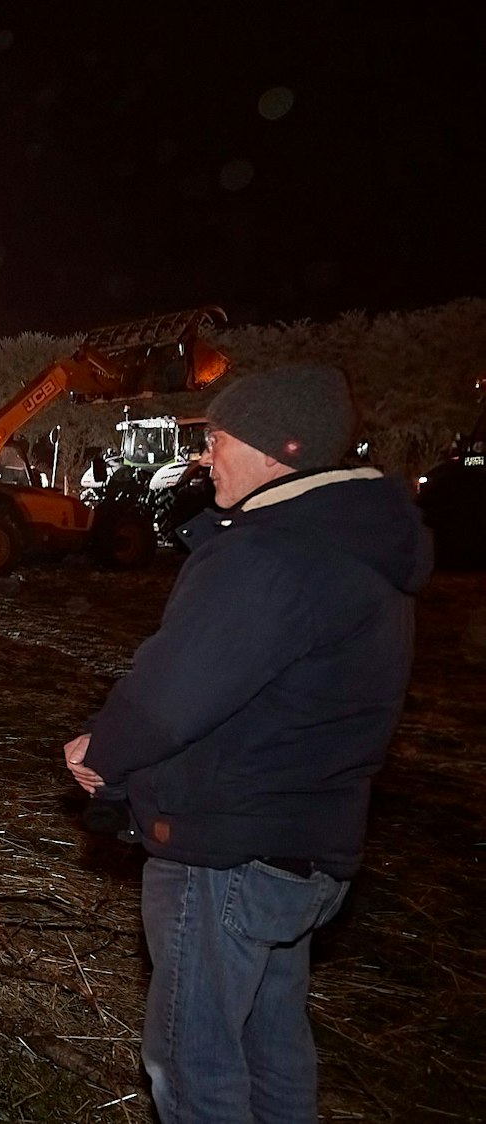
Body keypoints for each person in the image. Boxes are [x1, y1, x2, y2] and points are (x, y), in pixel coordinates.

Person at [63, 365, 430, 1124]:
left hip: (224, 848)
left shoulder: (272, 556)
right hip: (302, 844)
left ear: (276, 450)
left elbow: (177, 689)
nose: (204, 457)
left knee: (192, 1061)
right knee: (270, 1043)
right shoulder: (354, 548)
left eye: (217, 439)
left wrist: (103, 753)